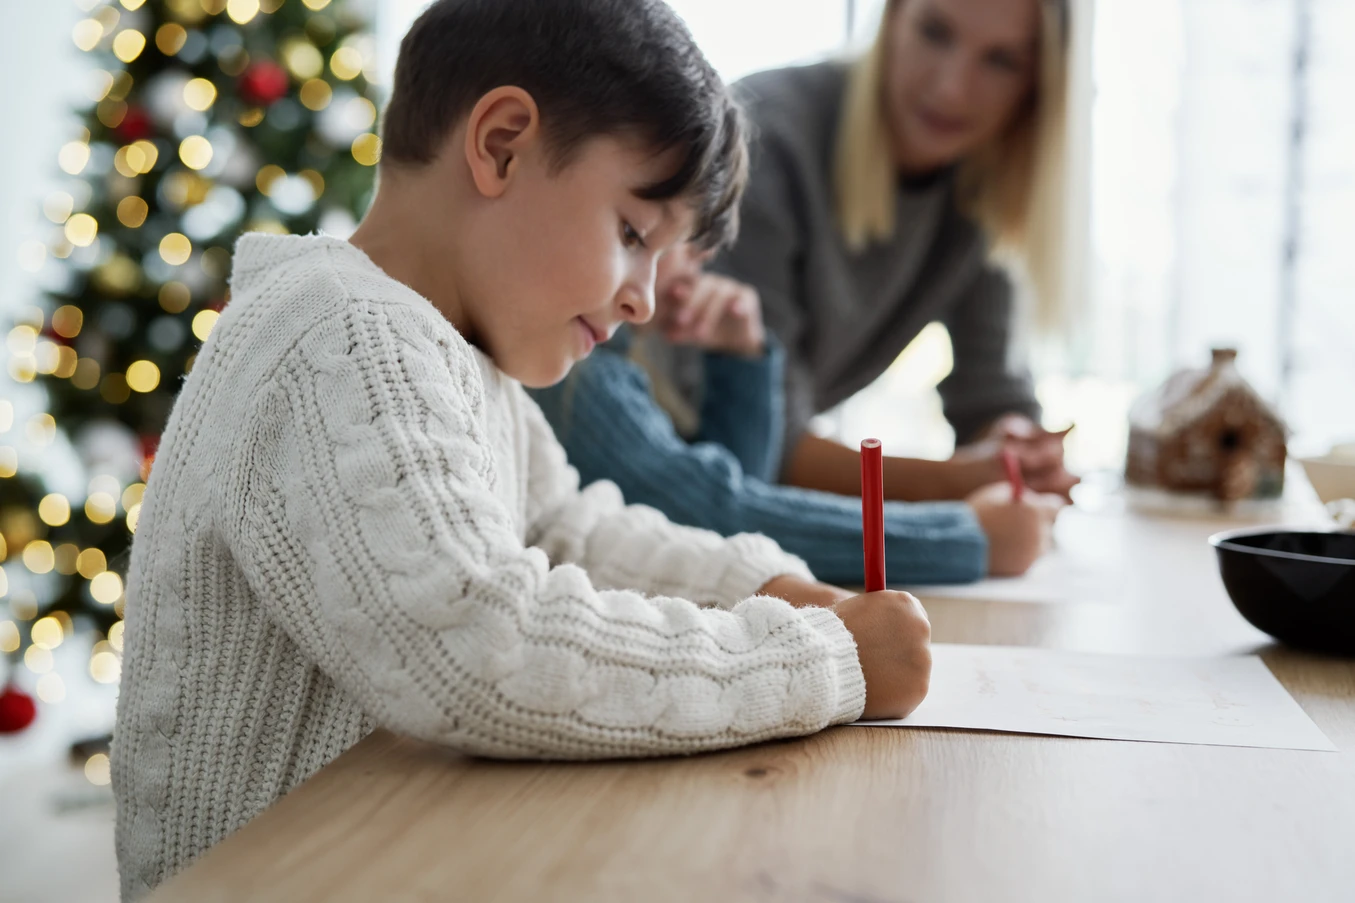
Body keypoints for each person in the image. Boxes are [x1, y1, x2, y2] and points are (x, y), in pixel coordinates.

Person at [110, 1, 932, 897]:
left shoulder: (459, 358)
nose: (643, 303)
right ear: (501, 144)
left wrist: (766, 588)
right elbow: (476, 640)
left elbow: (567, 529)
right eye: (631, 235)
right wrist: (818, 660)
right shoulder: (336, 334)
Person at [696, 0, 1080, 505]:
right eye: (935, 32)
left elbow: (990, 393)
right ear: (892, 17)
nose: (951, 88)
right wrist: (962, 481)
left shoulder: (980, 183)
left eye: (1001, 61)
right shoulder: (767, 136)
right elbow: (764, 443)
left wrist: (1013, 445)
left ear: (1035, 87)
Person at [532, 242, 1063, 584]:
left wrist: (740, 361)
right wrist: (966, 537)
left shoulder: (614, 360)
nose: (695, 267)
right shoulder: (579, 375)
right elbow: (719, 519)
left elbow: (732, 494)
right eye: (644, 230)